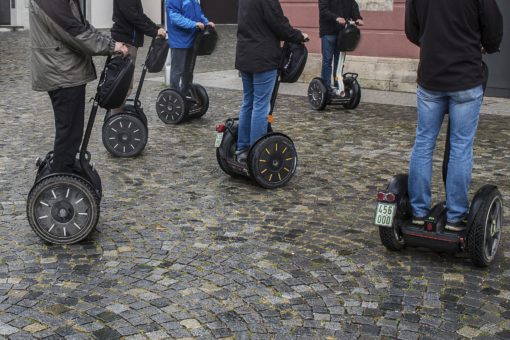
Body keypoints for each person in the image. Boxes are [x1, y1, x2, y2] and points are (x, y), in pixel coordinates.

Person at [405, 0, 503, 231]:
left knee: (423, 142)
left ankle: (419, 212)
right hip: (465, 77)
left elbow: (412, 30)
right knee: (460, 146)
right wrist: (486, 46)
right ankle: (455, 217)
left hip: (431, 76)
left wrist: (432, 44)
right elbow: (493, 28)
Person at [29, 0, 128, 173]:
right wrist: (111, 46)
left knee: (71, 132)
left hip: (65, 70)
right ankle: (60, 179)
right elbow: (74, 32)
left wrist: (109, 41)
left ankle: (65, 171)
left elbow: (81, 26)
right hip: (62, 71)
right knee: (68, 133)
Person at [235, 0, 308, 162]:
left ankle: (242, 148)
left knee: (248, 102)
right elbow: (278, 23)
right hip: (263, 57)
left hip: (245, 54)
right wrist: (299, 35)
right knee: (261, 105)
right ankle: (256, 153)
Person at [111, 0, 166, 113]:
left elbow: (140, 15)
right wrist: (153, 31)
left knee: (125, 85)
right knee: (123, 85)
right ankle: (115, 119)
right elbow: (133, 16)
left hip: (129, 40)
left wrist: (155, 28)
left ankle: (117, 117)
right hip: (125, 42)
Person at [166, 0, 214, 95]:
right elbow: (175, 17)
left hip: (192, 40)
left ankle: (185, 93)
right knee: (177, 71)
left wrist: (206, 22)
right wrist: (193, 24)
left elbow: (198, 14)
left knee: (188, 71)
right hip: (179, 41)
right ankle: (173, 95)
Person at [319, 0, 363, 88]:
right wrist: (336, 18)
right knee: (327, 61)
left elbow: (353, 5)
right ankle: (326, 88)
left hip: (342, 33)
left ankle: (338, 85)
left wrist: (357, 18)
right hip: (328, 32)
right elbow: (323, 10)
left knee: (339, 62)